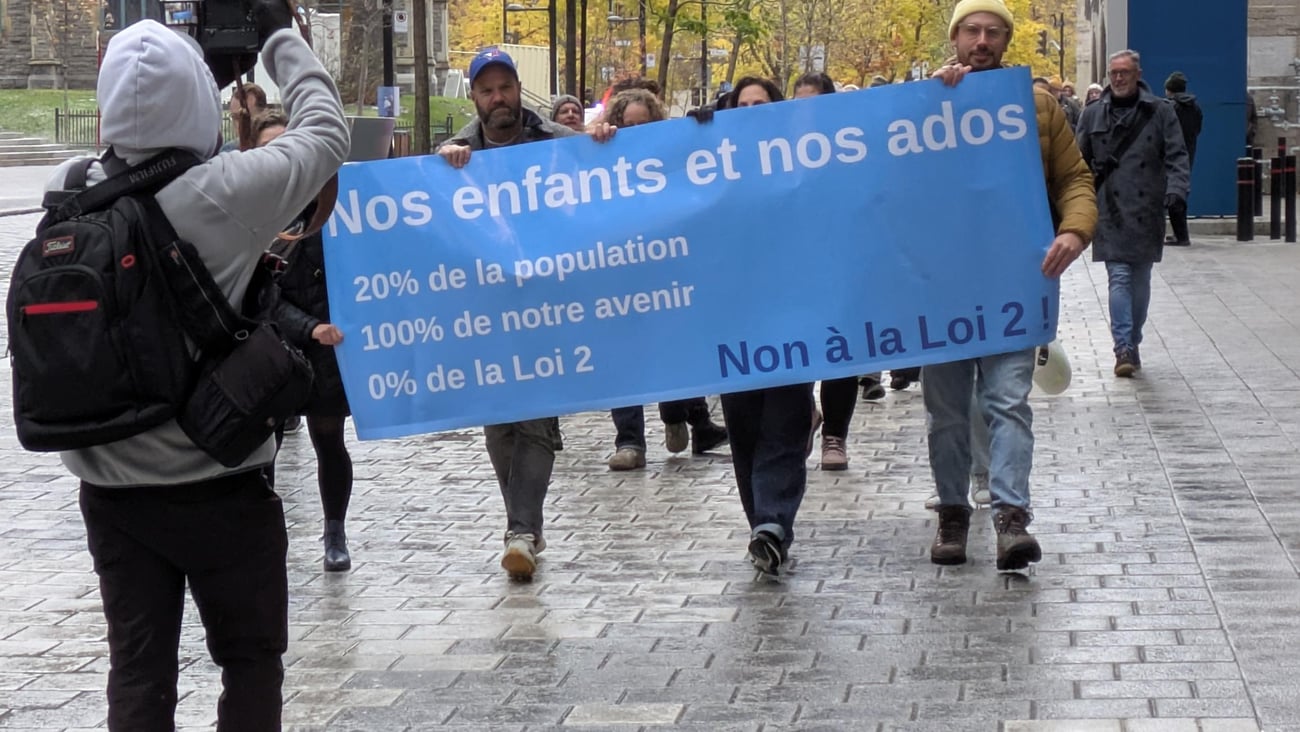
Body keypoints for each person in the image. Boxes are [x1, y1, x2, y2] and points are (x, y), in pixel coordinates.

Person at [43, 8, 349, 729]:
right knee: (248, 662)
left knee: (138, 671)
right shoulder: (232, 191)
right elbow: (327, 132)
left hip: (112, 487)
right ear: (196, 105)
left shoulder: (70, 187)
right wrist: (277, 35)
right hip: (222, 479)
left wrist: (172, 93)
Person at [927, 0, 1097, 571]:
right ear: (955, 38)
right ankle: (953, 514)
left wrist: (1074, 231)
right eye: (972, 30)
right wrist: (932, 99)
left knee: (1007, 403)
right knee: (947, 410)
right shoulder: (924, 102)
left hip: (1012, 282)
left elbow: (1075, 177)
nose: (981, 40)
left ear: (1005, 40)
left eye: (992, 31)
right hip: (939, 287)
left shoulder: (1039, 106)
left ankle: (1010, 518)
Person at [437, 48, 616, 581]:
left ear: (519, 91)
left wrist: (602, 144)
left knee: (536, 416)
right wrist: (441, 164)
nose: (498, 98)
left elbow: (599, 176)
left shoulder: (557, 145)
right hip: (487, 311)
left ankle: (519, 532)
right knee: (499, 420)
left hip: (549, 305)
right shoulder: (455, 153)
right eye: (487, 90)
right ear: (474, 97)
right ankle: (526, 524)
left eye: (506, 87)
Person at [600, 88, 729, 471]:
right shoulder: (603, 160)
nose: (636, 132)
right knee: (624, 355)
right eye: (629, 125)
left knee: (674, 347)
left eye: (645, 124)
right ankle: (630, 440)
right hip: (621, 271)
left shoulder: (671, 158)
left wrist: (701, 126)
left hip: (666, 269)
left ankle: (679, 414)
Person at [253, 111, 357, 573]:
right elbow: (257, 296)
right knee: (263, 444)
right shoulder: (247, 215)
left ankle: (335, 529)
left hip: (324, 346)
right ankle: (265, 533)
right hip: (267, 346)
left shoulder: (331, 206)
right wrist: (304, 325)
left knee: (328, 439)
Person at [1076, 50, 1189, 377]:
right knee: (1120, 277)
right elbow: (1077, 165)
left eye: (1124, 72)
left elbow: (1177, 155)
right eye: (1114, 73)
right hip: (1109, 208)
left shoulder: (1160, 112)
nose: (1118, 78)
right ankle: (1122, 346)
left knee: (1140, 281)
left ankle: (1133, 337)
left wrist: (1177, 190)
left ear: (1137, 75)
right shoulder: (1093, 114)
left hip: (1146, 207)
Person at [791, 71, 858, 471]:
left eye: (813, 102)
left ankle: (836, 434)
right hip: (794, 263)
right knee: (796, 349)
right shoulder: (774, 145)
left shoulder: (848, 142)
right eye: (798, 103)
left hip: (840, 260)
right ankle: (807, 415)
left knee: (841, 350)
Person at [1162, 71, 1203, 247]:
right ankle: (1181, 234)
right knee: (1180, 192)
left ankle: (1181, 237)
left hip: (1170, 155)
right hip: (1188, 153)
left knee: (1170, 194)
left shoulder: (1170, 107)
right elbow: (1197, 129)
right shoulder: (1195, 107)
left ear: (1169, 89)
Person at [221, 82, 267, 152]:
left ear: (263, 115)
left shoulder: (274, 148)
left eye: (246, 118)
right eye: (235, 118)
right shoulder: (228, 151)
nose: (240, 124)